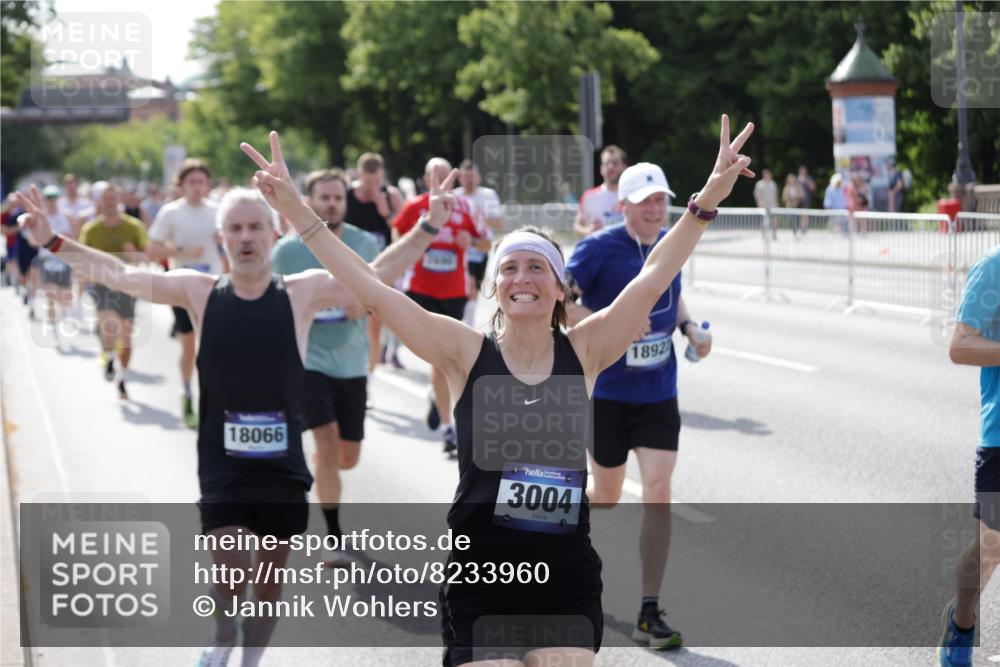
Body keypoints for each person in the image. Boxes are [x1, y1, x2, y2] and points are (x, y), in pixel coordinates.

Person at [242, 115, 754, 667]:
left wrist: (707, 198)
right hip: (481, 574)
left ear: (560, 288)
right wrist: (295, 209)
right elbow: (368, 287)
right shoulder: (464, 352)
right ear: (495, 287)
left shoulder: (585, 349)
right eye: (509, 268)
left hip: (565, 576)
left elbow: (654, 273)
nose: (522, 277)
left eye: (538, 267)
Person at [14, 156, 455, 667]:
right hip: (222, 461)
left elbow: (377, 278)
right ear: (221, 238)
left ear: (274, 233)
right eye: (235, 229)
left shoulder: (303, 291)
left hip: (283, 465)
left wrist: (429, 226)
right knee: (229, 570)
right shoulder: (199, 291)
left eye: (255, 227)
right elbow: (121, 275)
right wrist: (51, 241)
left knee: (268, 585)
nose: (245, 237)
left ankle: (250, 658)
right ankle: (224, 636)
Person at [564, 162, 709, 650]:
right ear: (622, 204)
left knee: (659, 489)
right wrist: (611, 322)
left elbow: (676, 295)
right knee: (604, 495)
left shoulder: (671, 243)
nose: (654, 208)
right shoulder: (597, 248)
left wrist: (689, 329)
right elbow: (562, 305)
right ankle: (551, 532)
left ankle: (649, 609)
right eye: (645, 200)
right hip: (607, 395)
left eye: (660, 199)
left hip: (657, 393)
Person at [271, 168, 379, 567]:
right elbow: (269, 300)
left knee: (347, 457)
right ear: (310, 202)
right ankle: (334, 537)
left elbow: (383, 293)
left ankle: (325, 462)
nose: (332, 203)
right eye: (324, 197)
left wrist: (363, 305)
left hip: (350, 361)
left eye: (338, 197)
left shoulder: (364, 243)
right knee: (329, 443)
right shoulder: (287, 250)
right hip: (308, 362)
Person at [392, 157, 481, 456]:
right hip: (421, 289)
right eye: (435, 175)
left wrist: (471, 241)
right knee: (440, 359)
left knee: (450, 360)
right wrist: (413, 247)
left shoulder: (464, 207)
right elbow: (397, 234)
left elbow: (485, 243)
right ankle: (448, 427)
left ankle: (438, 397)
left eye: (445, 175)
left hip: (453, 290)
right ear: (425, 178)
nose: (440, 180)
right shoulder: (415, 206)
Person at [939, 245, 1000, 667]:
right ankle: (959, 624)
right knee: (991, 548)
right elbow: (960, 346)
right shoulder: (993, 268)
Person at [148, 159, 225, 428]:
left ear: (208, 185)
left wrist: (223, 244)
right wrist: (181, 253)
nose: (196, 187)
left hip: (215, 285)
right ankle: (187, 391)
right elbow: (152, 250)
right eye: (191, 182)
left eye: (201, 182)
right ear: (180, 185)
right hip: (181, 288)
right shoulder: (171, 213)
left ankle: (213, 397)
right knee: (190, 346)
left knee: (214, 346)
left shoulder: (219, 210)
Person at [78, 184, 148, 399]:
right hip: (102, 285)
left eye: (113, 198)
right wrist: (83, 282)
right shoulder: (91, 229)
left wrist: (134, 254)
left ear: (119, 200)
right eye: (105, 199)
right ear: (99, 202)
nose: (109, 202)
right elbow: (82, 259)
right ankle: (109, 356)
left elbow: (146, 257)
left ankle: (122, 377)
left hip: (128, 284)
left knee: (126, 335)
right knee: (109, 325)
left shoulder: (133, 226)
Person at [345, 152, 404, 371]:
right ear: (359, 174)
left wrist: (385, 212)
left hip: (381, 271)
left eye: (377, 181)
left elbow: (405, 231)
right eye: (368, 182)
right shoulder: (347, 195)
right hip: (349, 269)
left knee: (373, 329)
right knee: (348, 326)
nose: (372, 187)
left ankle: (367, 377)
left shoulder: (391, 195)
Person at [454, 159, 502, 326]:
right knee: (469, 284)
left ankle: (469, 322)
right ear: (460, 178)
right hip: (460, 247)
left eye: (472, 176)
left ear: (479, 177)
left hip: (480, 246)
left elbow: (499, 223)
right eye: (465, 176)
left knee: (475, 287)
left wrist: (478, 216)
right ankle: (468, 325)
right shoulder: (455, 196)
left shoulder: (488, 195)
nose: (469, 180)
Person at [36, 185, 75, 339]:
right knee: (50, 292)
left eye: (53, 198)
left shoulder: (66, 215)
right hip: (46, 258)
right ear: (44, 200)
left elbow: (73, 236)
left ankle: (64, 310)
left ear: (57, 199)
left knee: (64, 293)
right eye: (48, 199)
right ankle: (52, 323)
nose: (51, 201)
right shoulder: (40, 217)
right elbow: (35, 239)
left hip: (63, 258)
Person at [575, 145, 627, 238]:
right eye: (606, 163)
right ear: (601, 168)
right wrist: (590, 230)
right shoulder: (589, 196)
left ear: (624, 167)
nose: (611, 167)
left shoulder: (633, 196)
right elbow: (577, 228)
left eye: (615, 163)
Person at [754, 169, 779, 240]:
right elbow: (757, 195)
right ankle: (764, 234)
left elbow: (775, 195)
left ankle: (774, 234)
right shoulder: (759, 184)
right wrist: (759, 204)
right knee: (764, 221)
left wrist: (776, 203)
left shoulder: (773, 184)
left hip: (772, 205)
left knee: (775, 220)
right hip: (763, 206)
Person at [782, 173, 806, 237]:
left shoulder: (798, 186)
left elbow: (802, 195)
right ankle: (794, 232)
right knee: (791, 220)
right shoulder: (787, 187)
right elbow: (784, 198)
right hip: (789, 206)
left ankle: (798, 232)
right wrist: (790, 198)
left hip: (797, 206)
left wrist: (797, 196)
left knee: (797, 220)